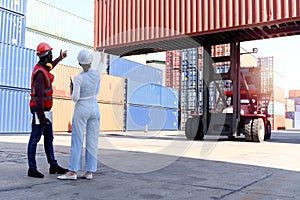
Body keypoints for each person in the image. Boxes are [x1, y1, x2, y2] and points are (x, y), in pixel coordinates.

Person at [58, 49, 101, 180]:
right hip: (95, 107)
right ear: (91, 61)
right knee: (92, 140)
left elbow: (75, 98)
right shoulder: (98, 75)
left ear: (79, 63)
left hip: (82, 107)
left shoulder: (79, 78)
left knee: (77, 140)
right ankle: (89, 171)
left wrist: (72, 89)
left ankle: (72, 172)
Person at [27, 42, 69, 178]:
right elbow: (38, 97)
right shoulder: (40, 73)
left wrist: (60, 58)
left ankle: (53, 165)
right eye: (50, 53)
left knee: (49, 138)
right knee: (35, 138)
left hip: (45, 111)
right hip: (40, 110)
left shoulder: (44, 68)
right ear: (46, 55)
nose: (51, 56)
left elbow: (51, 66)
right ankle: (32, 168)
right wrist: (41, 116)